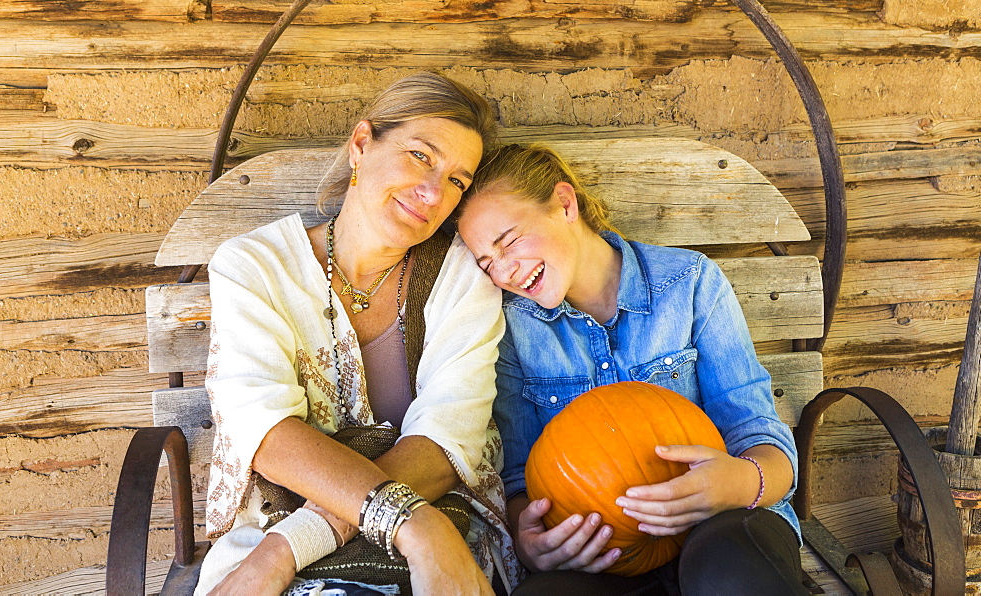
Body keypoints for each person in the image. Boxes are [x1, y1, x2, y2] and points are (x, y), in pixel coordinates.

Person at [196, 72, 522, 596]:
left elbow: (447, 440)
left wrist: (291, 547)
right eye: (421, 155)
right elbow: (267, 435)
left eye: (458, 180)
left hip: (438, 529)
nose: (433, 192)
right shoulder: (254, 266)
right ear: (362, 144)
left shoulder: (462, 277)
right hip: (283, 529)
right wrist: (416, 526)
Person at [456, 142, 808, 595]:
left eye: (510, 242)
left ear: (565, 204)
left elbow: (760, 434)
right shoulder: (513, 330)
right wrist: (531, 545)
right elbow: (519, 477)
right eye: (487, 263)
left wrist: (739, 482)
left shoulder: (690, 285)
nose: (504, 272)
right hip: (604, 556)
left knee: (728, 572)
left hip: (723, 527)